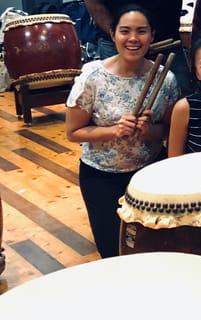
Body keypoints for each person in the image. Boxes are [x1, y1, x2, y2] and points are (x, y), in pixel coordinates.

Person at [65, 4, 180, 258]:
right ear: (112, 33)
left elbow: (169, 131)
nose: (133, 38)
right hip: (101, 176)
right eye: (125, 31)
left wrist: (149, 130)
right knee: (113, 252)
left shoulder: (166, 79)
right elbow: (73, 132)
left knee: (154, 250)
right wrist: (114, 130)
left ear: (152, 35)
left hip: (149, 172)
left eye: (142, 31)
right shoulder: (93, 76)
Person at [85, 0, 193, 95]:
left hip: (167, 41)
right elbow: (94, 2)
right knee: (113, 96)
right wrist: (119, 34)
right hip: (118, 42)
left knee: (181, 96)